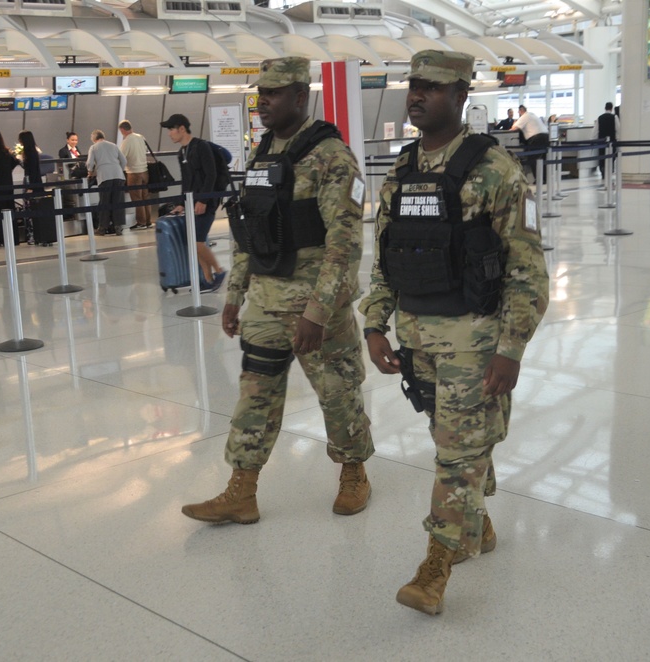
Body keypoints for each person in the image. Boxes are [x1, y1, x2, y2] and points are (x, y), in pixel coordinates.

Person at [358, 50, 549, 616]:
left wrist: (511, 349)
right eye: (413, 86)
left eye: (433, 88)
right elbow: (385, 259)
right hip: (419, 339)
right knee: (454, 443)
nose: (418, 96)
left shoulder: (496, 171)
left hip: (474, 341)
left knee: (455, 454)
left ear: (462, 95)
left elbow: (528, 271)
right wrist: (374, 324)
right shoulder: (401, 170)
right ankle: (479, 524)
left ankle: (435, 566)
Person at [180, 56, 374, 526]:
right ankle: (241, 489)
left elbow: (344, 244)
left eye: (275, 93)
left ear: (300, 97)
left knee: (337, 390)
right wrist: (234, 294)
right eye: (260, 92)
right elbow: (253, 230)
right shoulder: (264, 152)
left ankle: (354, 472)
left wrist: (319, 310)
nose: (263, 100)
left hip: (315, 303)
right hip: (267, 300)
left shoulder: (332, 156)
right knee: (255, 394)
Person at [159, 113, 226, 289]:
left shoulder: (201, 146)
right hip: (191, 201)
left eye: (171, 129)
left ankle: (219, 271)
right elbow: (186, 180)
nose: (169, 133)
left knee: (196, 242)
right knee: (194, 243)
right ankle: (207, 279)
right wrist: (181, 203)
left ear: (182, 128)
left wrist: (203, 200)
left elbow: (211, 174)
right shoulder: (181, 153)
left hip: (207, 201)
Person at [85, 129, 127, 235]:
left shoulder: (94, 147)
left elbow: (89, 163)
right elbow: (124, 161)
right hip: (118, 175)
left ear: (94, 138)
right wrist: (118, 169)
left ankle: (102, 228)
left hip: (104, 176)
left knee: (105, 202)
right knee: (118, 202)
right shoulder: (113, 145)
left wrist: (90, 172)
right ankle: (118, 227)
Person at [118, 120, 152, 230]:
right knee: (145, 197)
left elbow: (122, 157)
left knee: (137, 198)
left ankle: (141, 222)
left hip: (133, 172)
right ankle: (148, 221)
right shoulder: (141, 137)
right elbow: (145, 150)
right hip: (145, 171)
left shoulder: (127, 141)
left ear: (122, 130)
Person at [510, 104, 548, 180]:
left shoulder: (524, 116)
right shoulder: (532, 114)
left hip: (536, 138)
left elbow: (513, 128)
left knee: (533, 158)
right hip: (546, 136)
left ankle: (539, 180)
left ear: (521, 111)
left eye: (518, 112)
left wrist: (515, 122)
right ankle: (544, 179)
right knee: (542, 159)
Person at [592, 102, 621, 178]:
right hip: (612, 141)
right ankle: (609, 171)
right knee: (611, 157)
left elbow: (595, 131)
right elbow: (618, 129)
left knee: (602, 156)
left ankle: (602, 170)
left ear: (605, 108)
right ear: (611, 108)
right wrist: (618, 140)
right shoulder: (614, 117)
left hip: (601, 141)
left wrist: (593, 140)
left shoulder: (600, 117)